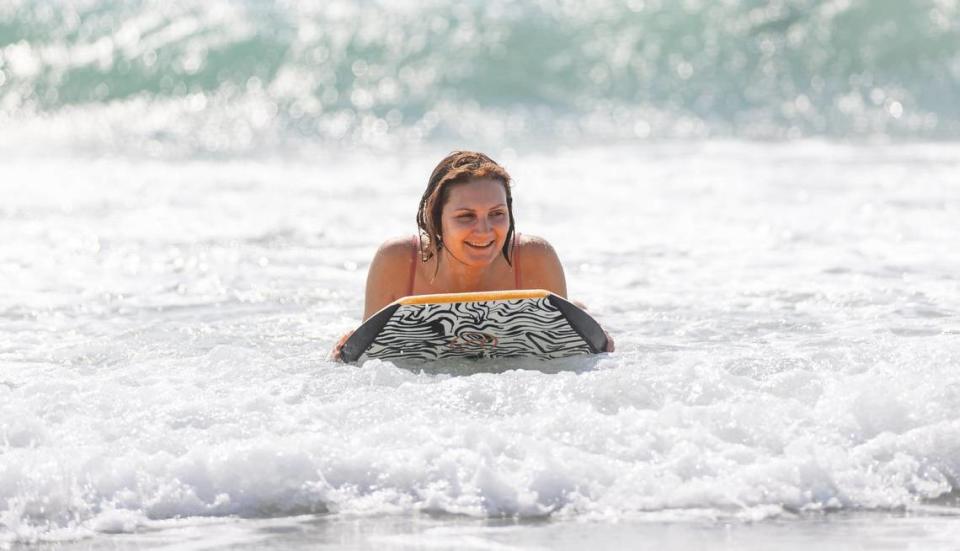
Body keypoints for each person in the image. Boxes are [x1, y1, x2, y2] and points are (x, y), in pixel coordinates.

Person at [332, 150, 614, 359]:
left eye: (497, 214)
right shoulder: (397, 261)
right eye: (466, 216)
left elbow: (562, 357)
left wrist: (598, 348)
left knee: (580, 312)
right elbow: (373, 361)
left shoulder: (534, 259)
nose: (484, 230)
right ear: (436, 218)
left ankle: (579, 305)